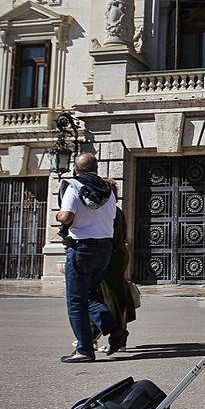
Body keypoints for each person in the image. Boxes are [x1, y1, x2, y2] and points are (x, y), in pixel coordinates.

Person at [56, 153, 120, 363]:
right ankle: (115, 329)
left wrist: (59, 216)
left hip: (82, 247)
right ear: (96, 167)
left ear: (77, 168)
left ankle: (84, 349)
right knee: (91, 294)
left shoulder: (73, 185)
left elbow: (66, 216)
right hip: (104, 249)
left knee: (76, 301)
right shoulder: (109, 191)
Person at [97, 179, 135, 355]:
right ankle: (111, 338)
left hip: (109, 257)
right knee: (114, 298)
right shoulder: (117, 211)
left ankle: (115, 338)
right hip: (118, 255)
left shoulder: (107, 211)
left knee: (109, 299)